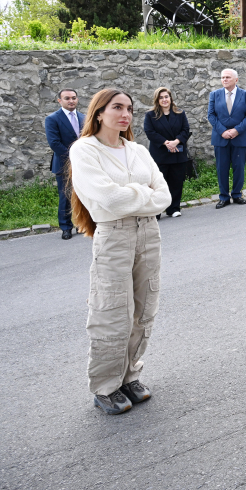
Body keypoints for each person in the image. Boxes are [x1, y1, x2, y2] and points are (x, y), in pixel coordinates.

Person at [67, 89, 171, 415]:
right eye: (117, 107)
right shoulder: (85, 149)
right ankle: (105, 386)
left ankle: (129, 376)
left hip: (148, 232)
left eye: (128, 108)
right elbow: (107, 200)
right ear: (99, 112)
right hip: (114, 235)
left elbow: (165, 195)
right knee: (112, 313)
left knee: (144, 310)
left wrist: (130, 195)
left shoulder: (138, 150)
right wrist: (143, 192)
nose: (125, 114)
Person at [207, 68, 246, 209]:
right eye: (222, 77)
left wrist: (236, 130)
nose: (224, 80)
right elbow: (211, 115)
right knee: (222, 168)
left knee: (239, 167)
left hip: (240, 137)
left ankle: (237, 194)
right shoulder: (214, 95)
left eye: (228, 77)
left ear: (236, 80)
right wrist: (223, 131)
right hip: (221, 138)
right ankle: (224, 197)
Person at [144, 87, 192, 218]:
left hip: (177, 152)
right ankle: (157, 211)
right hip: (160, 153)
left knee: (176, 181)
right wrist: (166, 143)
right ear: (157, 100)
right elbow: (150, 132)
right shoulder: (150, 115)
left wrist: (176, 142)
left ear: (170, 98)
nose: (164, 99)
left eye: (166, 97)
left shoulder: (180, 113)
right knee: (158, 183)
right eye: (161, 97)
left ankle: (173, 208)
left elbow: (185, 130)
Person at [45, 88, 85, 239]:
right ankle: (66, 227)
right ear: (59, 100)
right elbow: (54, 143)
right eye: (67, 98)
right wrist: (73, 157)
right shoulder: (52, 119)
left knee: (83, 195)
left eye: (74, 98)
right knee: (66, 197)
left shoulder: (84, 117)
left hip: (83, 164)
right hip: (63, 164)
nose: (71, 101)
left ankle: (82, 224)